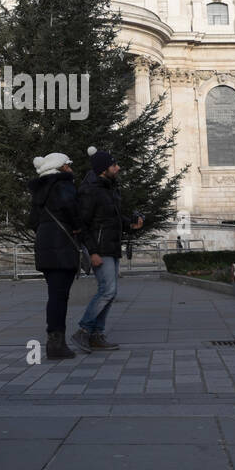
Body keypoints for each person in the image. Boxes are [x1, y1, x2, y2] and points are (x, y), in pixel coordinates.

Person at [71, 147, 143, 352]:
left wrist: (131, 224)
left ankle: (96, 335)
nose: (118, 168)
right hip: (100, 248)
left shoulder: (109, 187)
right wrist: (92, 252)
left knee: (110, 292)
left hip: (111, 246)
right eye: (114, 165)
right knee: (107, 290)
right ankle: (83, 331)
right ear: (104, 169)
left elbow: (113, 217)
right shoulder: (90, 190)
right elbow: (83, 225)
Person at [28, 153, 81, 360]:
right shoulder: (63, 185)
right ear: (61, 167)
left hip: (45, 246)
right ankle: (56, 344)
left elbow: (32, 221)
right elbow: (72, 209)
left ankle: (55, 341)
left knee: (55, 295)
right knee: (60, 296)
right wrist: (77, 228)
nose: (70, 168)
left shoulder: (40, 189)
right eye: (68, 165)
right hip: (61, 247)